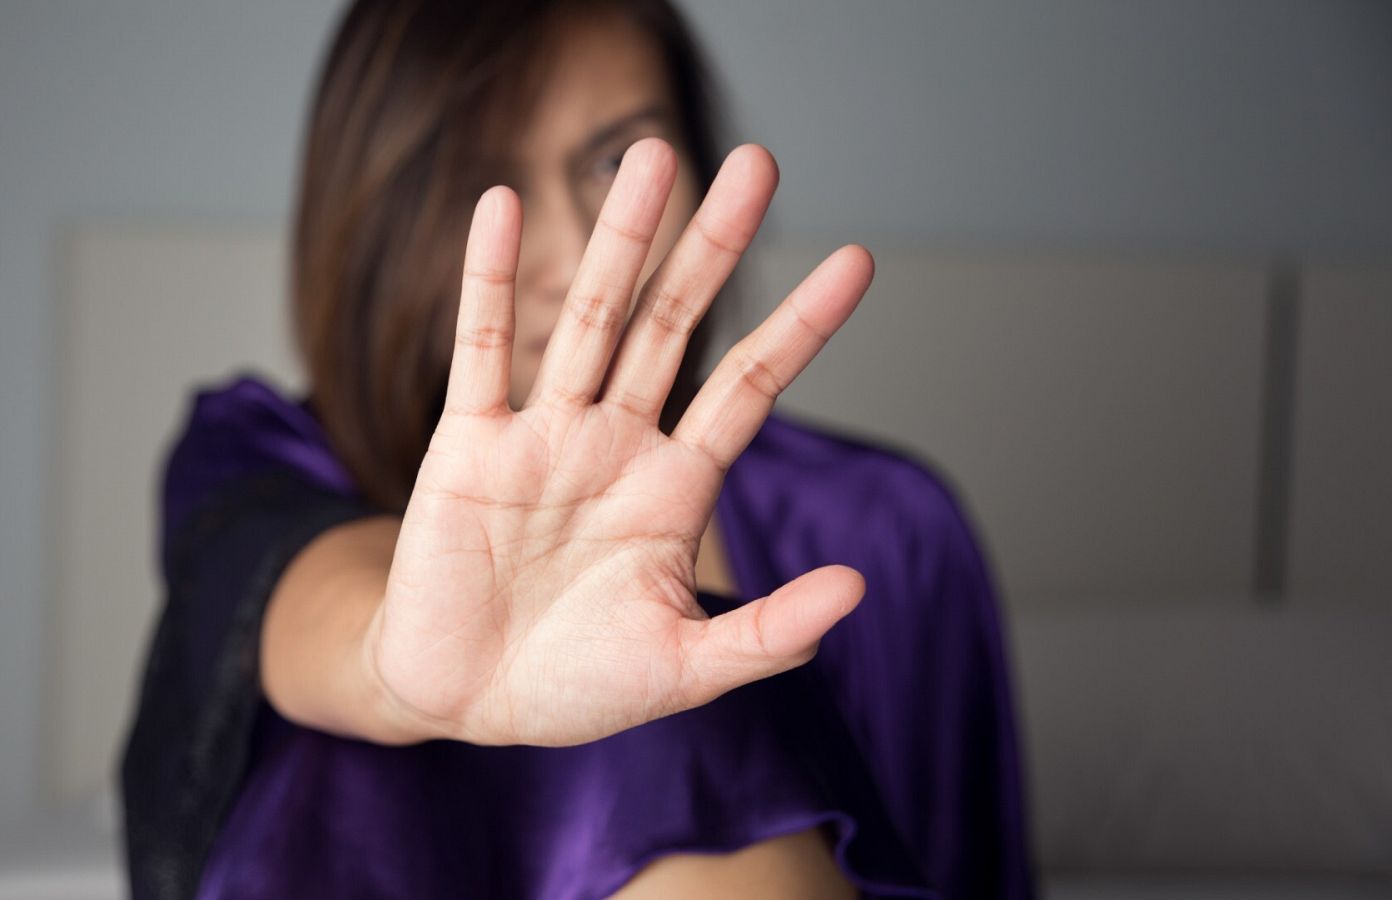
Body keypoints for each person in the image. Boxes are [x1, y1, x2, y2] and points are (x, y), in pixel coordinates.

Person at [119, 1, 1033, 898]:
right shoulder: (255, 451)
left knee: (679, 702)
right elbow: (309, 602)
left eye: (611, 161)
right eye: (481, 182)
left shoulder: (884, 524)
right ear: (369, 207)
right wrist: (399, 677)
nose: (567, 249)